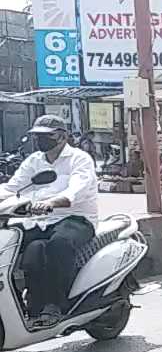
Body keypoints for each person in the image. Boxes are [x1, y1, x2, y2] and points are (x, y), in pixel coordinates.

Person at [0, 115, 98, 328]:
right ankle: (32, 307)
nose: (40, 140)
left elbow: (77, 190)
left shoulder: (79, 159)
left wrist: (51, 202)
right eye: (36, 136)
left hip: (76, 219)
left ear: (62, 137)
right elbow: (11, 187)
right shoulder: (35, 160)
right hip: (39, 221)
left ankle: (57, 305)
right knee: (27, 251)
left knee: (58, 245)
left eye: (45, 136)